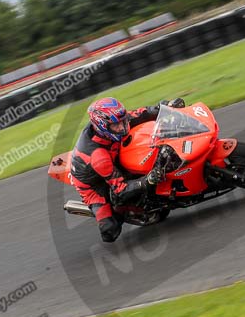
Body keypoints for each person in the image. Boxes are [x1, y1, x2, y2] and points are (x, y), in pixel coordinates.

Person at [70, 96, 185, 242]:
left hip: (112, 155)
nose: (122, 127)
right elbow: (121, 189)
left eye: (122, 122)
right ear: (102, 127)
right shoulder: (97, 156)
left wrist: (165, 107)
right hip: (93, 185)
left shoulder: (114, 122)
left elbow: (140, 114)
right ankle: (119, 210)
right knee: (110, 230)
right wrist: (147, 180)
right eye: (116, 125)